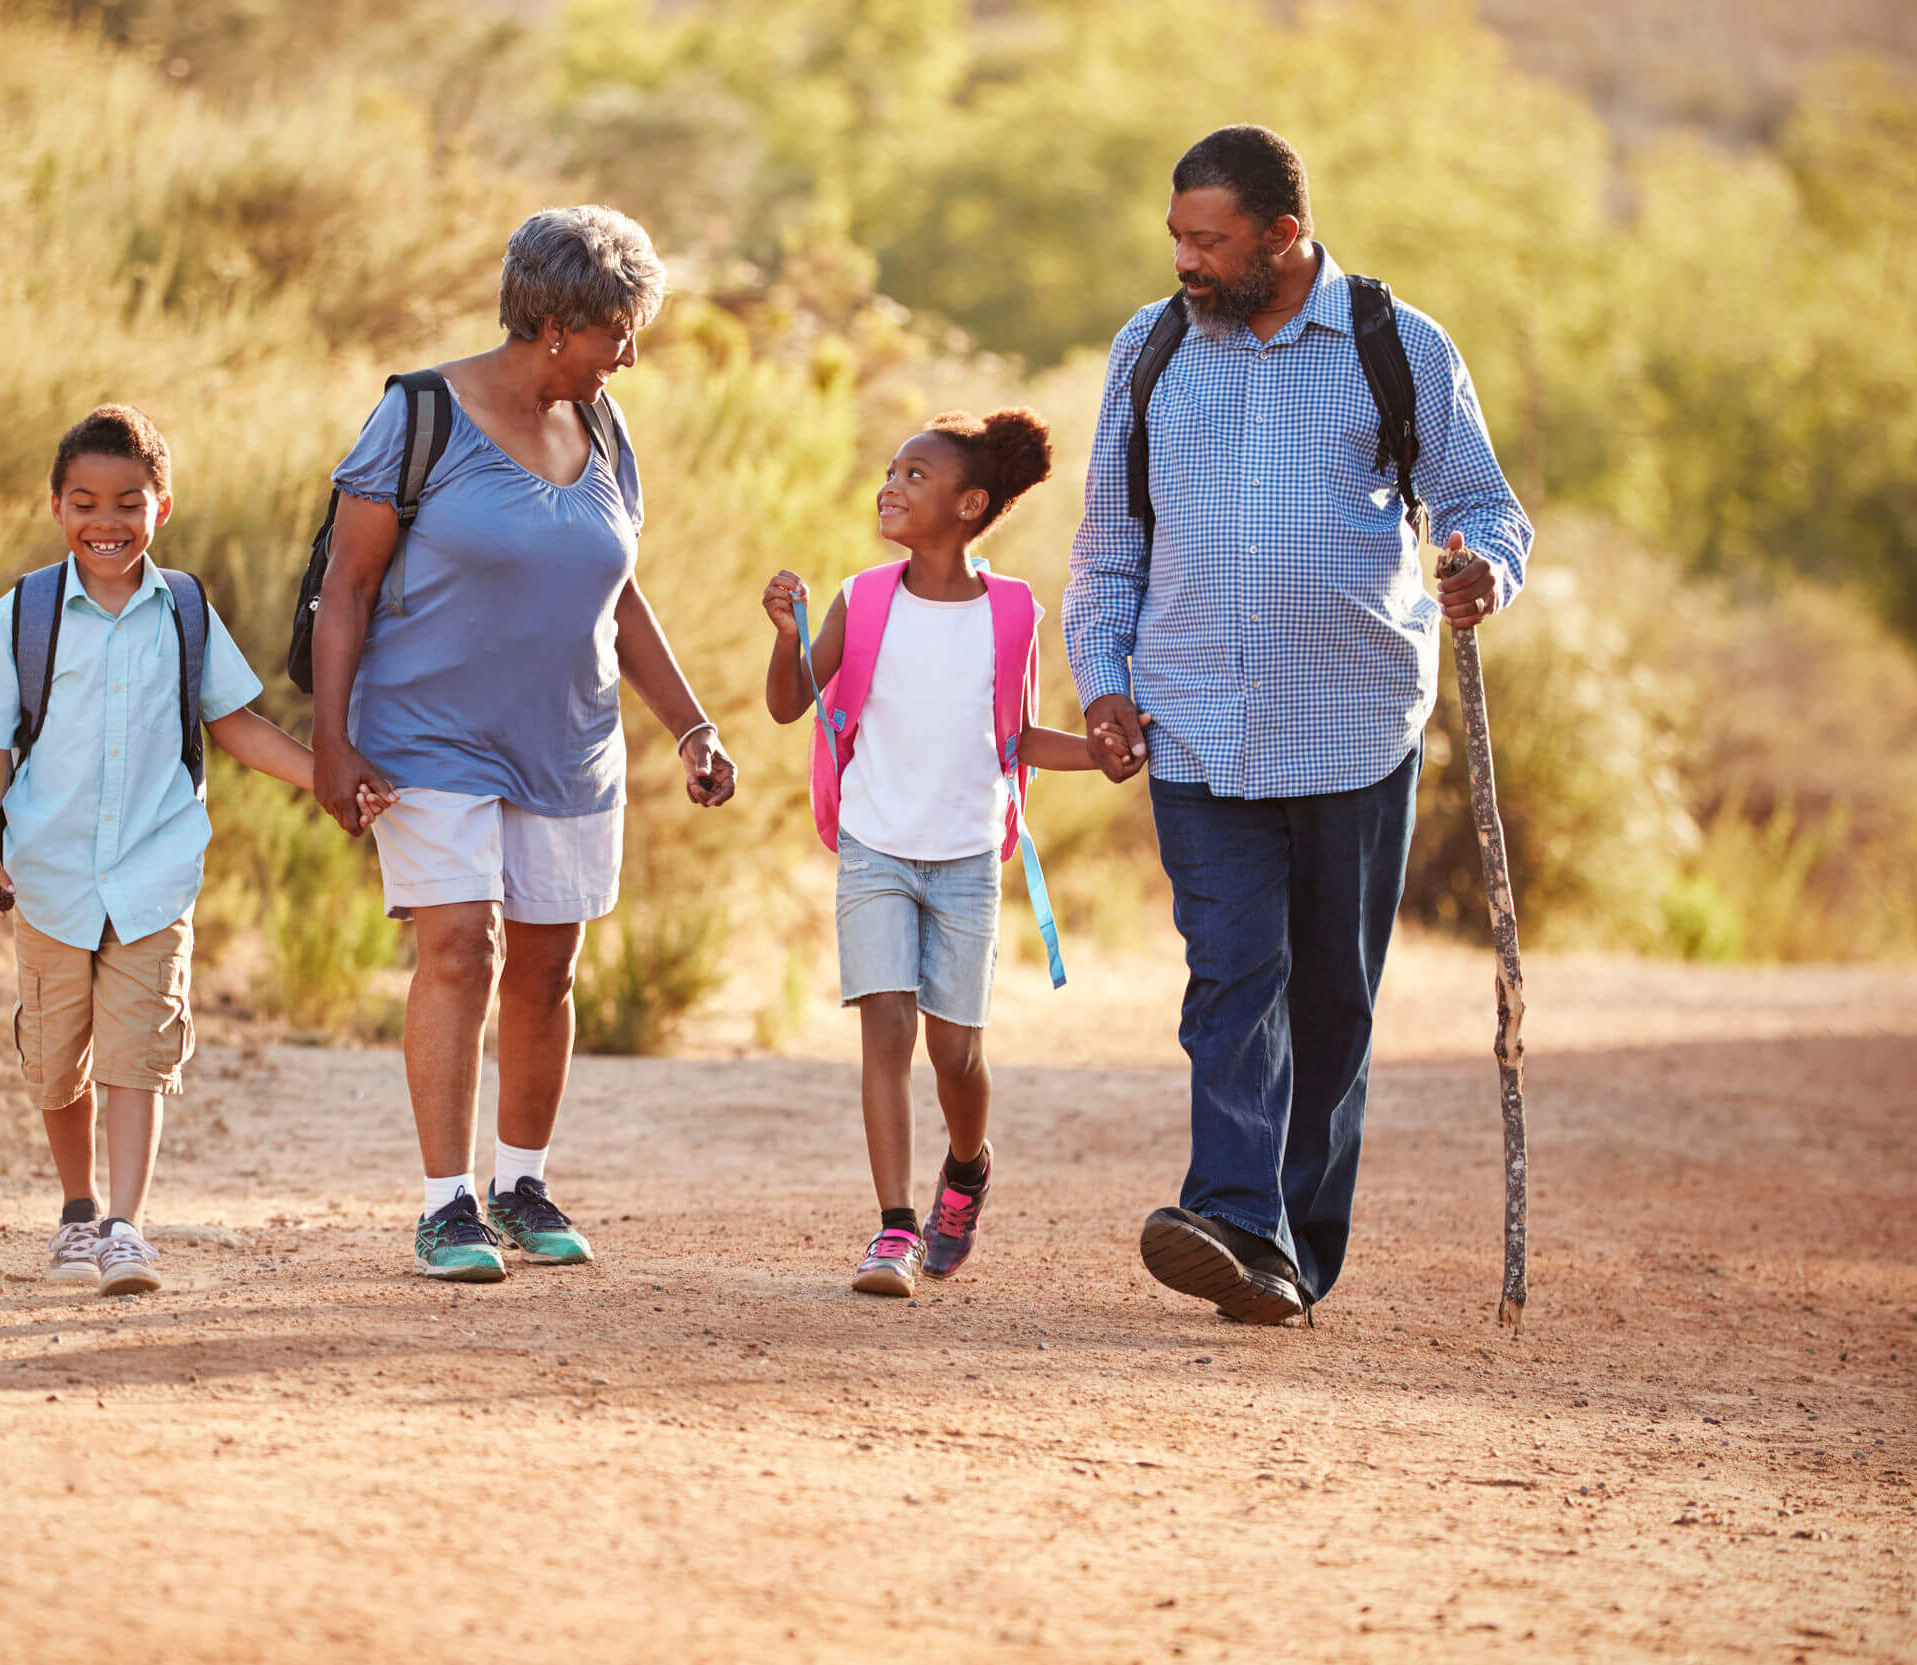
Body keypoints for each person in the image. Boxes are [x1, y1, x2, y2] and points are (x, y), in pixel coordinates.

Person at [1065, 126, 1534, 1324]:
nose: (1182, 259)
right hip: (1194, 721)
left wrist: (1483, 569)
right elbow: (1109, 547)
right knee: (1231, 975)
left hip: (1353, 729)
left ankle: (1287, 1259)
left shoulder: (1396, 345)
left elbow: (1479, 503)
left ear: (1280, 236)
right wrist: (1101, 679)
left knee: (1330, 998)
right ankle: (1228, 1214)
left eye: (1205, 240)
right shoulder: (1151, 347)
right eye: (1175, 235)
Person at [309, 205, 736, 1283]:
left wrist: (689, 725)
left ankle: (521, 1181)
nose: (628, 356)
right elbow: (344, 588)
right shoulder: (420, 417)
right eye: (617, 334)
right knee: (462, 948)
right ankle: (444, 1203)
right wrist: (330, 741)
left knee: (546, 968)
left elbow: (618, 598)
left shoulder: (605, 431)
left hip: (570, 743)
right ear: (554, 322)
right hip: (427, 735)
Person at [0, 405, 383, 1295]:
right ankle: (77, 1210)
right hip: (51, 871)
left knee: (137, 1053)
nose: (104, 522)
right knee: (56, 1057)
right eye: (84, 502)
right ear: (57, 509)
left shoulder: (184, 610)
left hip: (155, 872)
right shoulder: (25, 612)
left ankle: (125, 1227)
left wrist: (328, 779)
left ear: (162, 508)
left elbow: (236, 727)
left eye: (126, 503)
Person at [762, 410, 1117, 1296]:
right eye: (891, 470)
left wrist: (1102, 753)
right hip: (874, 847)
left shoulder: (1012, 612)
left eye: (914, 476)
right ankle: (893, 1230)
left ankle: (966, 1167)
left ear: (969, 505)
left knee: (954, 1052)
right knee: (884, 1029)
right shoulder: (862, 597)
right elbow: (787, 704)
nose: (891, 484)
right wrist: (787, 634)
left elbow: (1021, 736)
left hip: (963, 860)